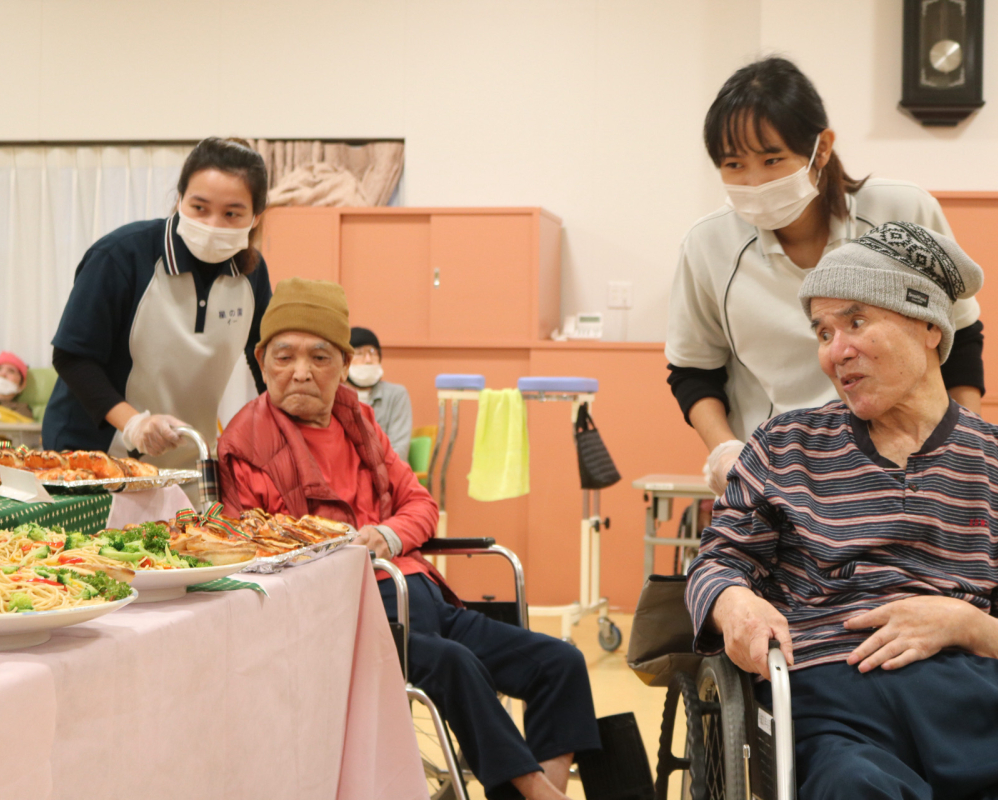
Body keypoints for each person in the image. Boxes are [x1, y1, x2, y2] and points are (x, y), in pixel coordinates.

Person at [686, 221, 998, 799]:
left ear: (929, 328)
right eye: (823, 332)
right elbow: (717, 561)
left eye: (856, 323)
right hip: (835, 703)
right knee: (857, 786)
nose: (835, 352)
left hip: (976, 709)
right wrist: (735, 605)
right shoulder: (787, 446)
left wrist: (963, 624)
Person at [216, 279, 600, 800]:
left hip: (421, 597)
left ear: (344, 364)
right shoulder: (246, 443)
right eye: (284, 357)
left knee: (560, 662)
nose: (301, 371)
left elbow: (421, 505)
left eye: (319, 357)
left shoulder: (359, 422)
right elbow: (258, 550)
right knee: (455, 664)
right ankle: (535, 790)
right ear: (262, 361)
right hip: (350, 620)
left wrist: (387, 534)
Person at [666, 57, 986, 497]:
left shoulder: (902, 213)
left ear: (821, 148)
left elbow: (961, 335)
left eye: (773, 159)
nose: (755, 182)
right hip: (780, 478)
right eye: (734, 165)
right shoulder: (708, 245)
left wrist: (965, 443)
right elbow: (692, 369)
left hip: (907, 469)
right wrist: (725, 451)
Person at [42, 137, 272, 469]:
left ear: (256, 217)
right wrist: (134, 424)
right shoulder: (121, 256)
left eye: (232, 214)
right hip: (93, 456)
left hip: (187, 459)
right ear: (179, 199)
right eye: (199, 208)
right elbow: (73, 357)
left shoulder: (252, 274)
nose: (212, 225)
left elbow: (266, 358)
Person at [347, 326, 413, 461]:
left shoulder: (396, 395)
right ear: (345, 360)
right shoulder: (333, 395)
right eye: (359, 353)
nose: (368, 360)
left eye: (372, 353)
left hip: (386, 469)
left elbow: (399, 449)